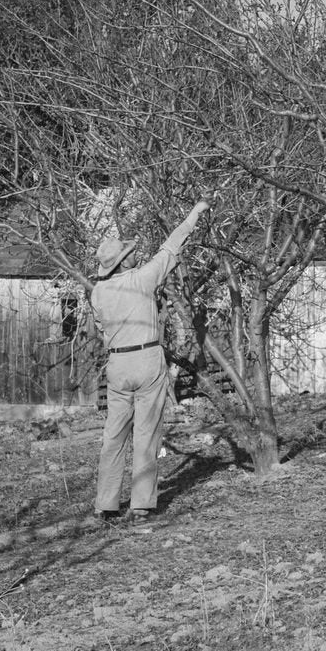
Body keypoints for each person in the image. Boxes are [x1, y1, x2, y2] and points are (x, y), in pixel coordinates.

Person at [90, 196, 211, 522]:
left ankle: (105, 504)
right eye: (128, 254)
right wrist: (196, 212)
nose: (134, 255)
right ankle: (141, 505)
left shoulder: (97, 292)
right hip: (146, 360)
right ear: (122, 263)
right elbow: (171, 247)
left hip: (117, 364)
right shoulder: (142, 279)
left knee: (113, 436)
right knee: (146, 434)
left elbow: (102, 330)